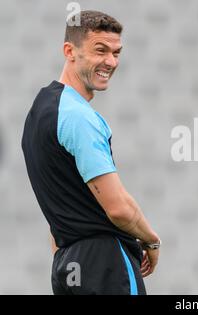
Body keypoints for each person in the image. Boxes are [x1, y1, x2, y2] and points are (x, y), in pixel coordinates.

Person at [21, 10, 160, 295]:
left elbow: (58, 205)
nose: (110, 61)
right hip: (104, 262)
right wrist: (151, 239)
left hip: (66, 263)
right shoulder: (79, 117)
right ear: (69, 51)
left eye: (116, 53)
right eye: (100, 50)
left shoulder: (39, 110)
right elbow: (119, 208)